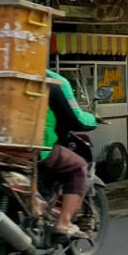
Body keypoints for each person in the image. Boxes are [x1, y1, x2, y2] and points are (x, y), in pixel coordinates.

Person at [41, 68, 98, 241]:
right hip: (35, 148)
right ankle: (64, 223)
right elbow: (77, 118)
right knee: (78, 166)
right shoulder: (53, 81)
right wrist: (93, 118)